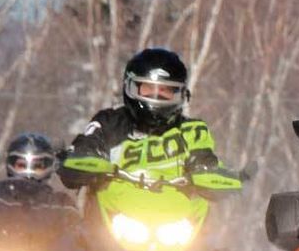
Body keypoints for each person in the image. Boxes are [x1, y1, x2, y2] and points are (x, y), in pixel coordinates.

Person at [62, 48, 223, 187]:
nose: (156, 97)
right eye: (148, 89)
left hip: (175, 213)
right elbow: (86, 145)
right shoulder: (109, 123)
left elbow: (205, 157)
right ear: (130, 88)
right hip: (116, 209)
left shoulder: (192, 131)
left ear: (180, 95)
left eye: (165, 91)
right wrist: (84, 159)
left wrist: (207, 170)